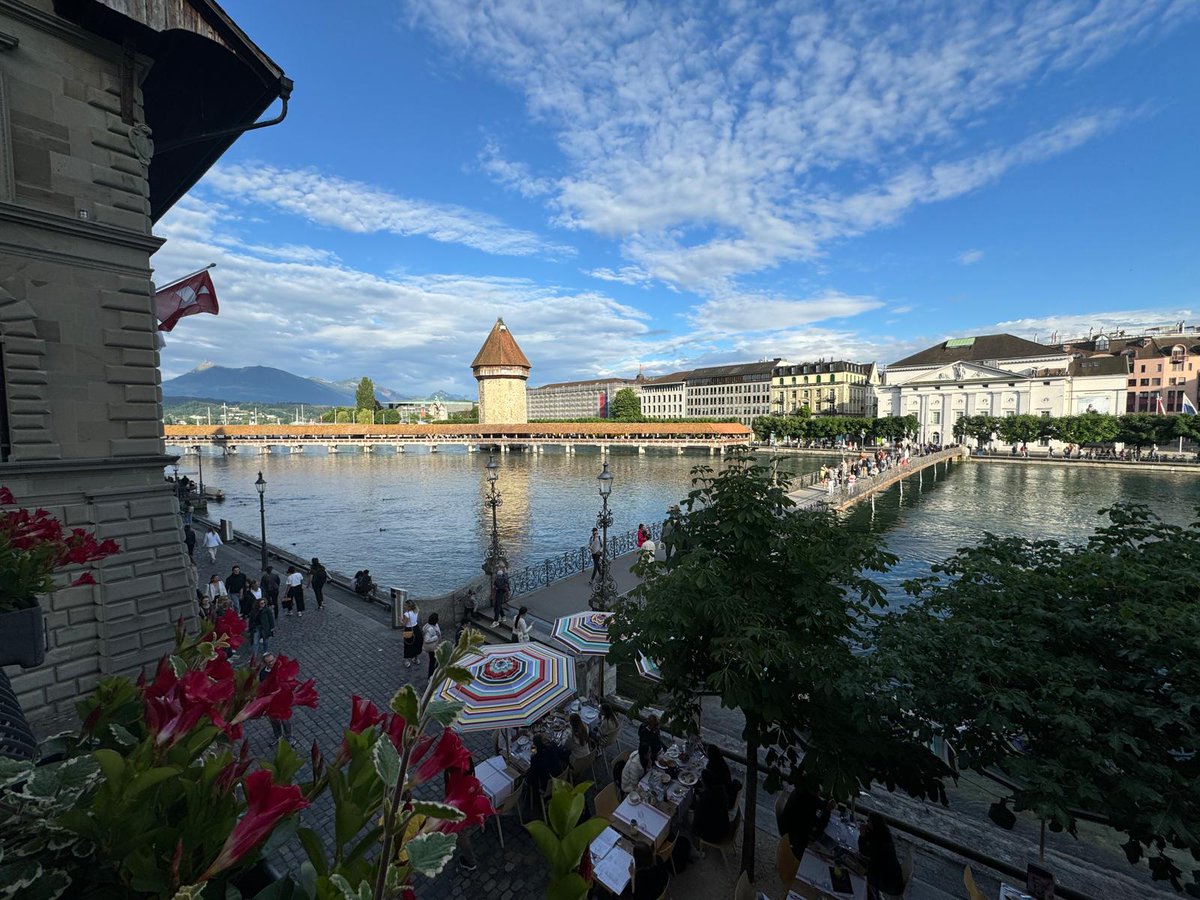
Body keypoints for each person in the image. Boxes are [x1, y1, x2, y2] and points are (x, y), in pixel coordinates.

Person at [859, 811, 906, 899]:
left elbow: (864, 851)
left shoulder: (880, 842)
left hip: (889, 884)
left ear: (873, 824)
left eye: (868, 821)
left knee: (858, 870)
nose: (866, 822)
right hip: (894, 879)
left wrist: (862, 836)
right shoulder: (883, 833)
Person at [780, 788, 835, 860]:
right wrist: (828, 811)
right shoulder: (808, 801)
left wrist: (827, 804)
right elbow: (818, 827)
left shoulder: (802, 791)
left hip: (791, 830)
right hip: (796, 838)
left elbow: (819, 803)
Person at [691, 768, 732, 843]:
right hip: (724, 827)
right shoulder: (720, 790)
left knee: (691, 826)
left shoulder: (706, 799)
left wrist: (696, 800)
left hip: (713, 835)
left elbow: (697, 817)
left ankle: (695, 843)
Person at [258, 653, 292, 743]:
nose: (271, 663)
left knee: (285, 720)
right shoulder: (263, 674)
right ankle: (278, 736)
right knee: (274, 721)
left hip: (282, 699)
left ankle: (288, 737)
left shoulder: (280, 668)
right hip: (271, 701)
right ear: (265, 663)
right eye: (269, 662)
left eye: (273, 660)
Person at [527, 733, 566, 798]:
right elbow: (561, 754)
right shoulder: (553, 746)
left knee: (529, 779)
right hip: (560, 777)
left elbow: (532, 776)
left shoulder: (536, 758)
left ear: (535, 745)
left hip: (547, 787)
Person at [704, 743, 737, 808]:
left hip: (722, 802)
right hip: (728, 793)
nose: (706, 753)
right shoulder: (721, 763)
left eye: (707, 752)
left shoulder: (712, 769)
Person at [402, 600, 422, 668]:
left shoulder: (406, 614)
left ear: (409, 607)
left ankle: (407, 661)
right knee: (416, 644)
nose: (404, 606)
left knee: (407, 645)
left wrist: (400, 620)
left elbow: (404, 624)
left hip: (408, 629)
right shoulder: (416, 610)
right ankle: (416, 659)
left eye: (406, 605)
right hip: (416, 629)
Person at [422, 612, 442, 677]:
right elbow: (427, 640)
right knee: (432, 662)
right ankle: (430, 676)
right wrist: (436, 636)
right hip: (432, 648)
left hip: (436, 646)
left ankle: (435, 673)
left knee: (436, 660)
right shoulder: (430, 629)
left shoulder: (435, 625)